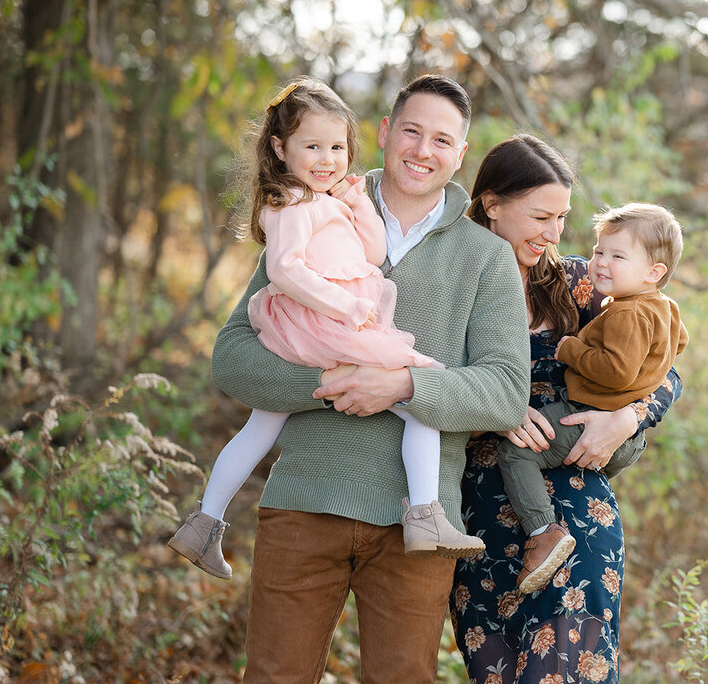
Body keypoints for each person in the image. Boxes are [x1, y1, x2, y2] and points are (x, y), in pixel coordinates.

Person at [210, 74, 529, 683]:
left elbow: (507, 391)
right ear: (384, 133)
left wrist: (404, 387)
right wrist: (336, 380)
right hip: (306, 500)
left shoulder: (485, 257)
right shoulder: (308, 209)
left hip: (419, 520)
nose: (423, 150)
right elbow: (233, 358)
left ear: (460, 154)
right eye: (411, 130)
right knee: (274, 676)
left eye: (442, 139)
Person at [169, 77, 486, 581]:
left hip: (319, 323)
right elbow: (284, 270)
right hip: (323, 323)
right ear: (280, 148)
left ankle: (204, 524)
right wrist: (345, 307)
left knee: (260, 427)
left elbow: (374, 255)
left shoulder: (325, 200)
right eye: (311, 146)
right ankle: (425, 515)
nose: (326, 159)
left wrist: (358, 205)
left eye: (336, 147)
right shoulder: (290, 203)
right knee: (424, 391)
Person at [452, 134, 683, 684]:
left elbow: (664, 368)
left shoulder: (581, 283)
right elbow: (423, 379)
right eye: (541, 216)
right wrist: (498, 411)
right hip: (483, 500)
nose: (556, 233)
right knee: (499, 669)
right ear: (492, 204)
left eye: (563, 217)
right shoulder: (452, 281)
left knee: (569, 666)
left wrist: (629, 418)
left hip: (578, 501)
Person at [499, 202, 689, 593]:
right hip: (616, 445)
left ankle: (542, 530)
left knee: (515, 453)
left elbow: (626, 371)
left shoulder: (617, 307)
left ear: (654, 272)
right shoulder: (662, 308)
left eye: (617, 256)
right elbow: (676, 346)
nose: (600, 262)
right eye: (599, 250)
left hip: (591, 421)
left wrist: (571, 350)